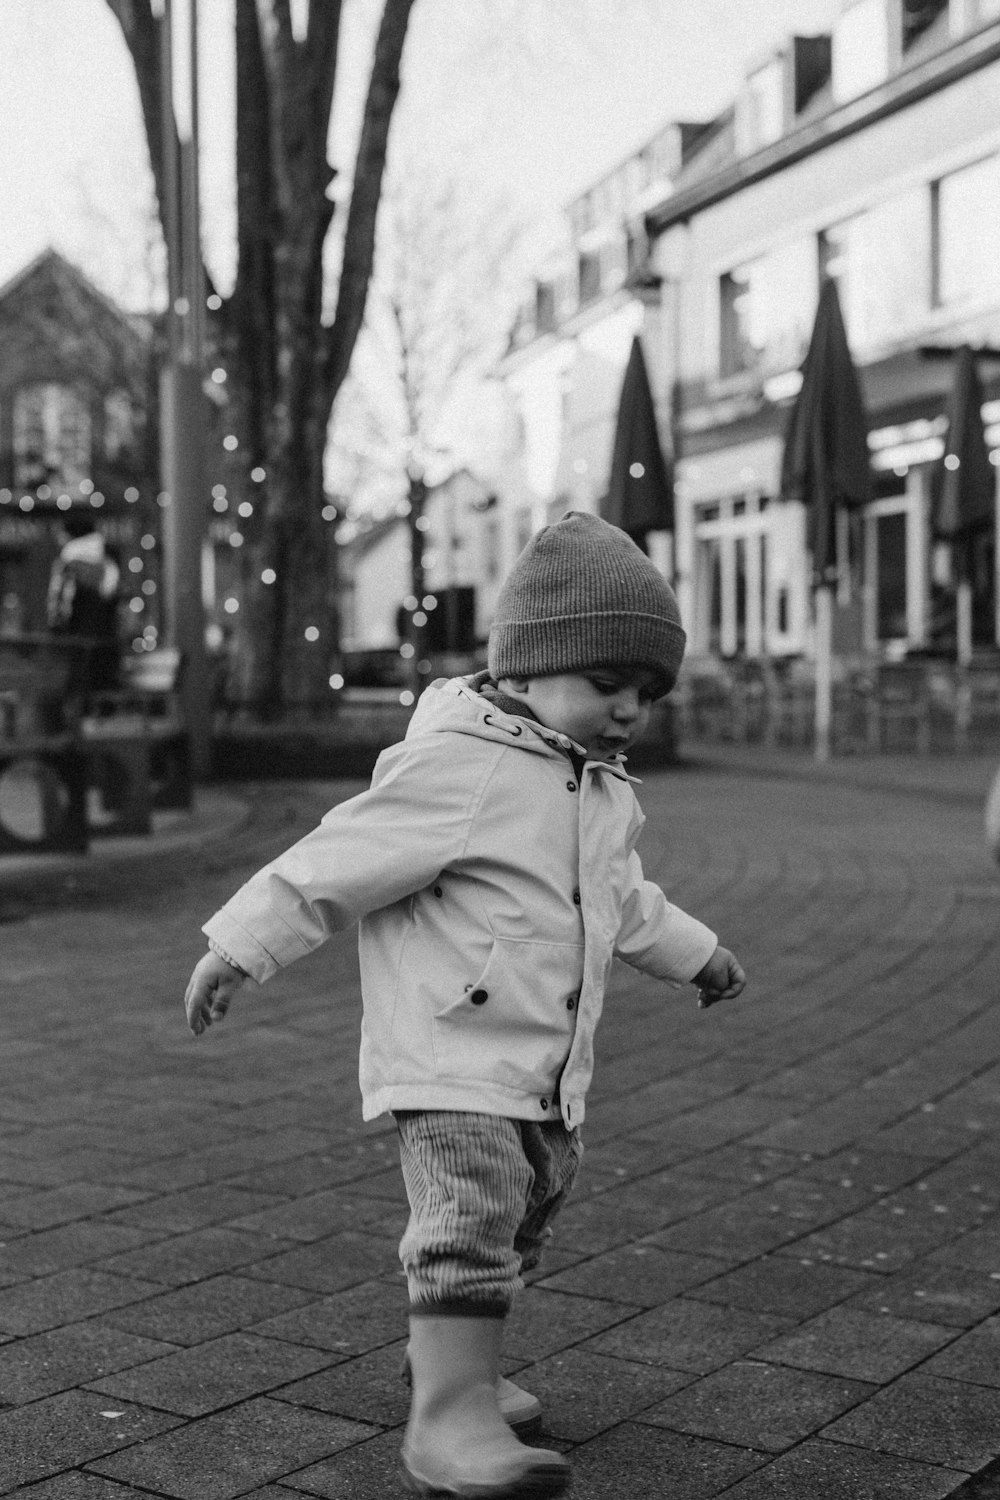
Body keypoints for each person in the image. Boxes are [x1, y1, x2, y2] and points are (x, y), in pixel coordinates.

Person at [183, 511, 746, 1499]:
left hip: (539, 1064)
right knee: (472, 1211)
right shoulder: (462, 763)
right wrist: (238, 944)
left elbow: (622, 899)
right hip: (449, 1055)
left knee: (524, 1210)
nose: (626, 712)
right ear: (525, 672)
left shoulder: (597, 789)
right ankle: (445, 1422)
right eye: (605, 684)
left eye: (645, 694)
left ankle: (455, 1369)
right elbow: (336, 857)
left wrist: (697, 954)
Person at [47, 512, 121, 692]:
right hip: (105, 641)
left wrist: (56, 625)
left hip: (75, 638)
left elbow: (60, 600)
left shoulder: (69, 562)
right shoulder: (107, 559)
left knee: (73, 685)